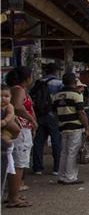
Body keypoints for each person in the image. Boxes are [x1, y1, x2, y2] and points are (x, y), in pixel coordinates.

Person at [6, 66, 37, 208]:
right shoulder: (19, 90)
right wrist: (31, 119)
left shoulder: (13, 89)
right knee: (19, 164)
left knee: (17, 163)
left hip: (18, 130)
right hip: (21, 130)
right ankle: (13, 197)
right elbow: (18, 107)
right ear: (27, 77)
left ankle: (14, 194)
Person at [52, 73, 89, 185]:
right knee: (72, 152)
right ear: (74, 82)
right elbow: (81, 113)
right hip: (75, 127)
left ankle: (62, 175)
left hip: (62, 126)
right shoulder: (77, 95)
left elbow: (54, 112)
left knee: (64, 152)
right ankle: (70, 177)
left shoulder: (56, 95)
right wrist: (87, 127)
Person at [31, 63, 63, 176]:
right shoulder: (59, 83)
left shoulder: (38, 83)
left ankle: (37, 168)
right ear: (56, 71)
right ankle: (56, 168)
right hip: (53, 115)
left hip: (39, 115)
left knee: (38, 142)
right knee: (56, 141)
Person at [2, 85, 20, 198]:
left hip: (7, 133)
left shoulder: (9, 107)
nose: (3, 99)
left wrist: (4, 122)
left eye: (6, 96)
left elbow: (10, 117)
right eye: (1, 96)